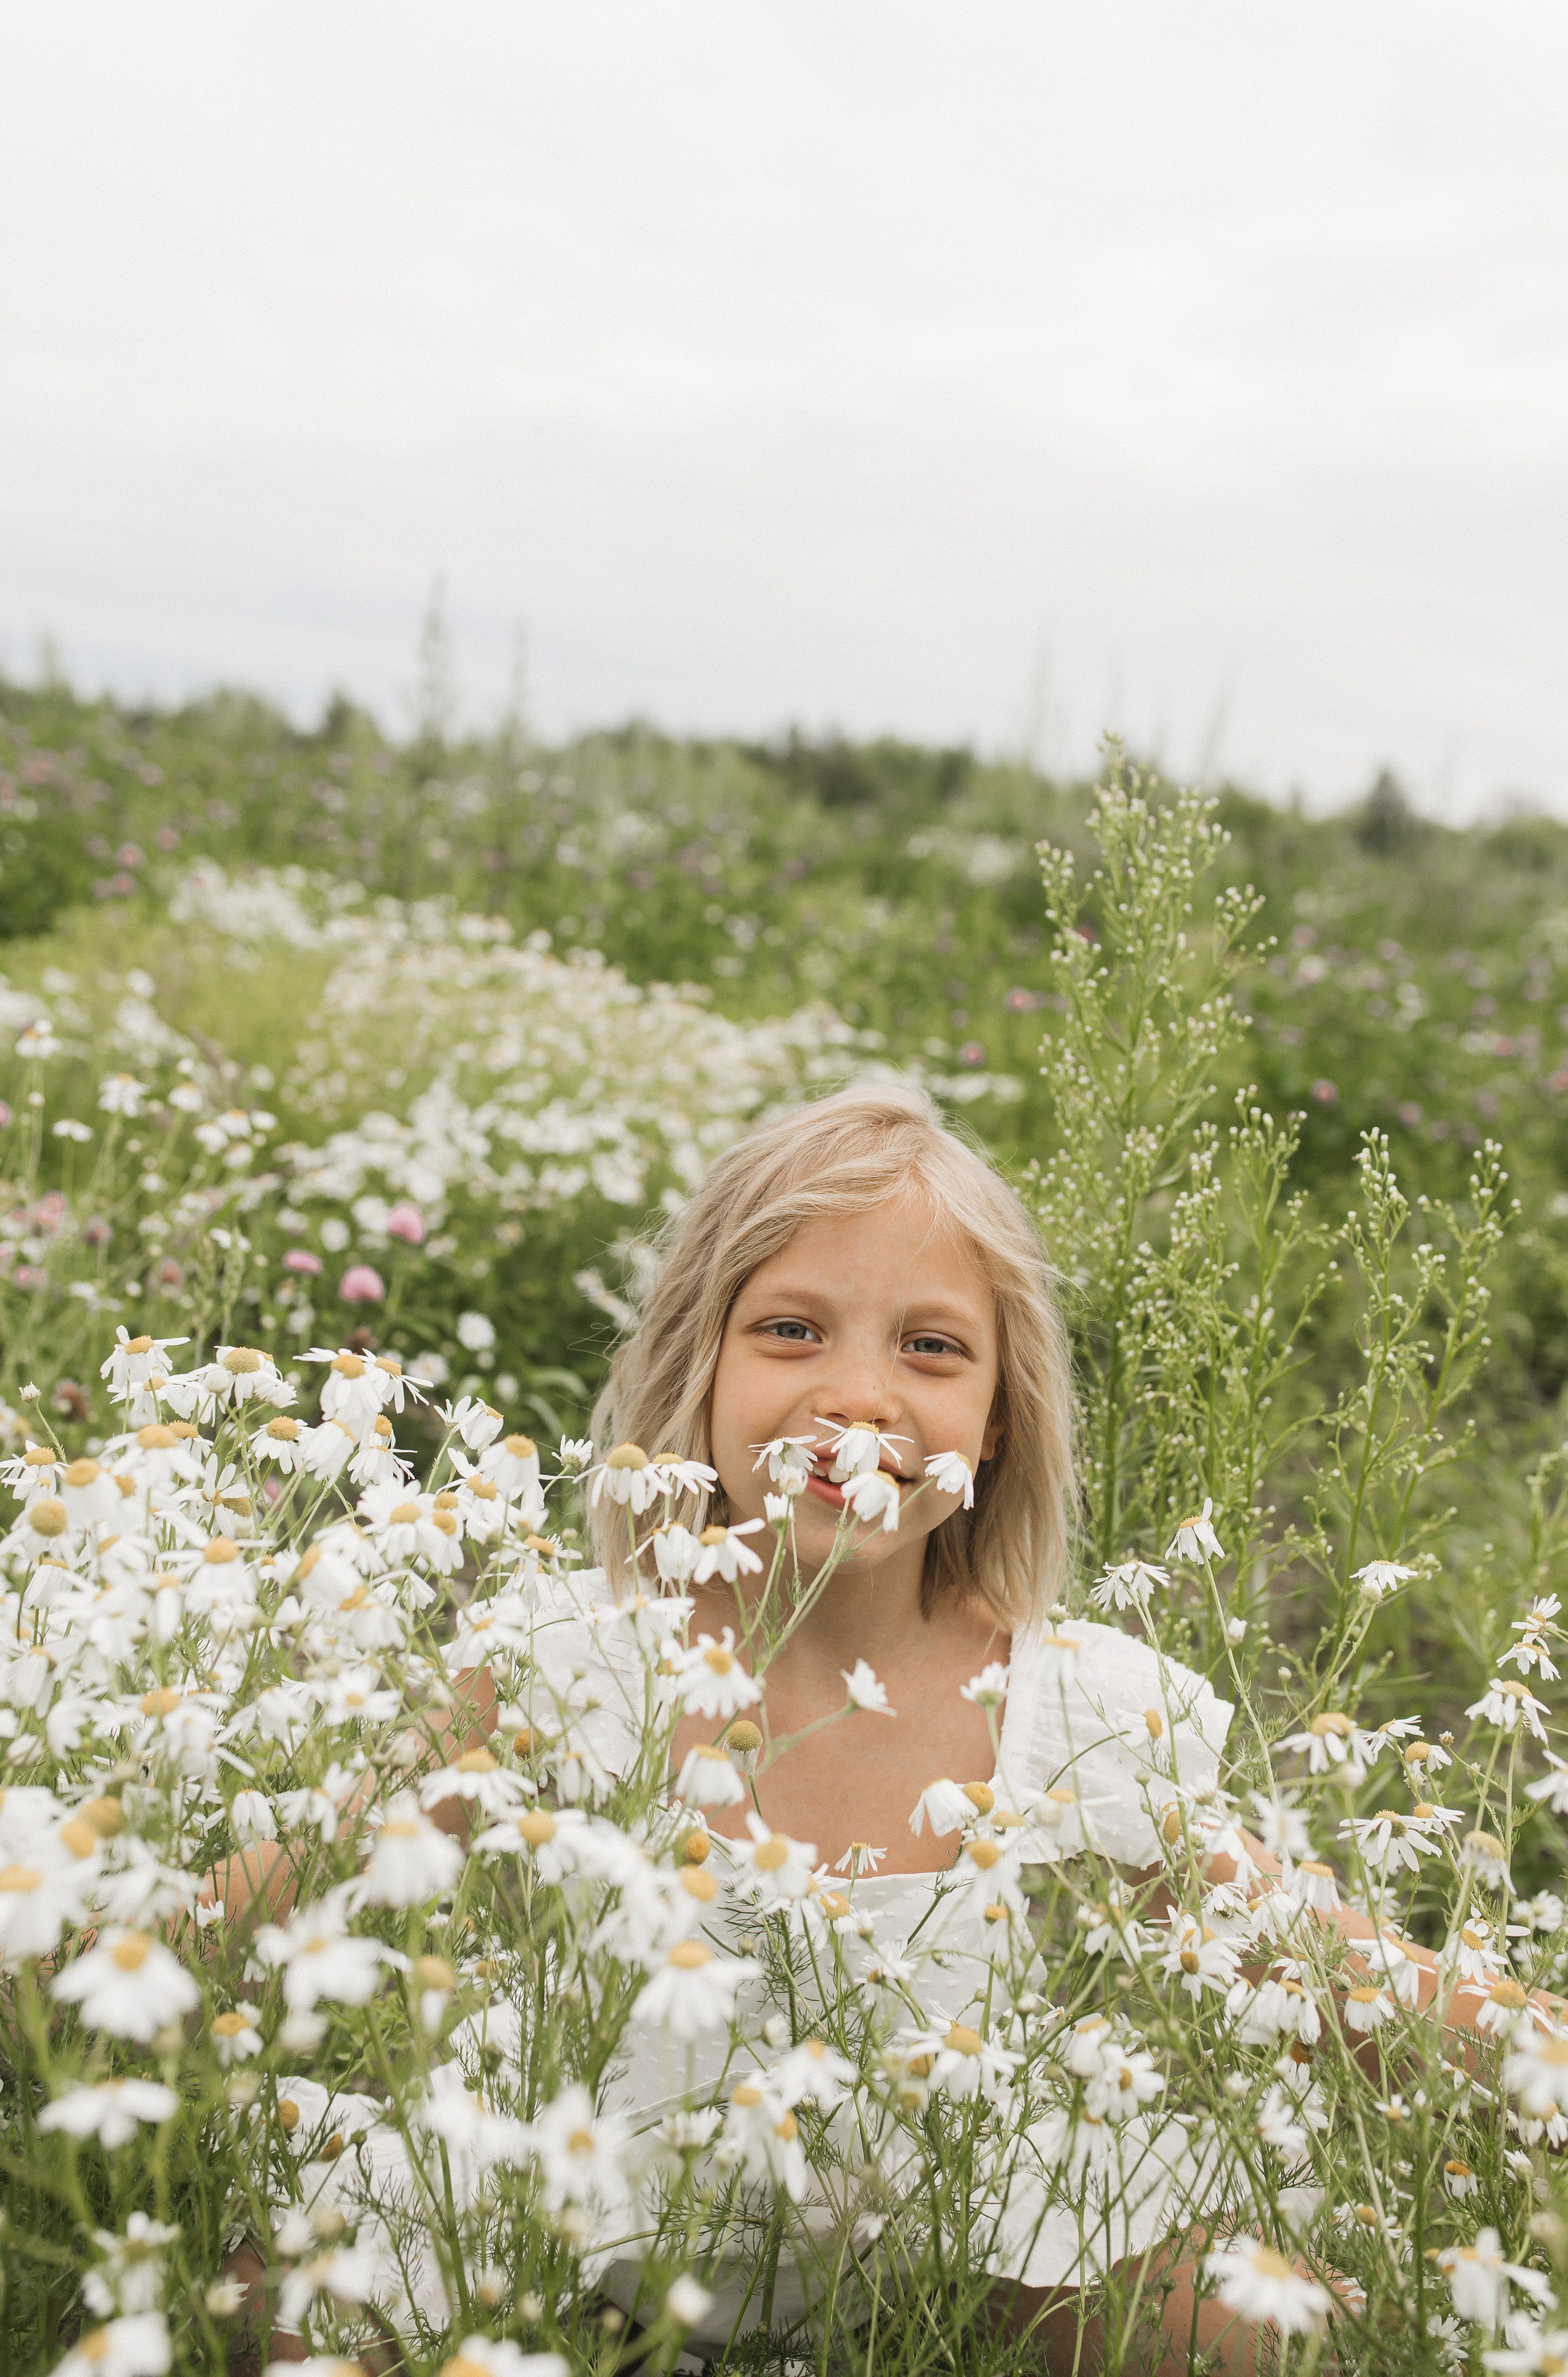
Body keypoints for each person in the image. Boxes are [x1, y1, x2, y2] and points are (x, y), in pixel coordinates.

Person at [211, 1083, 1526, 2370]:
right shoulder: (571, 1660)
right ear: (698, 1370)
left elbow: (1326, 1972)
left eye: (931, 1347)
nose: (858, 1397)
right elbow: (276, 1894)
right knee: (298, 2286)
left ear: (1000, 1421)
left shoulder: (1066, 1706)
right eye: (790, 1331)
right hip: (583, 2228)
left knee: (1289, 2327)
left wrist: (1533, 2059)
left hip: (956, 2247)